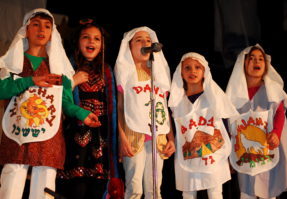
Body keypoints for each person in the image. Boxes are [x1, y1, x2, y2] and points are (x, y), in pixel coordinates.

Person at [0, 8, 100, 199]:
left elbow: (65, 102)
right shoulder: (11, 63)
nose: (41, 29)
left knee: (44, 188)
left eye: (47, 26)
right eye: (35, 24)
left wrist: (82, 113)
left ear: (52, 32)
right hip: (16, 135)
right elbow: (2, 89)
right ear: (25, 30)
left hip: (48, 137)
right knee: (10, 187)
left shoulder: (58, 67)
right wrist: (30, 81)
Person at [56, 19, 123, 199]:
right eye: (86, 37)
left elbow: (116, 108)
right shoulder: (67, 66)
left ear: (102, 45)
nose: (91, 42)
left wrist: (120, 140)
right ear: (77, 41)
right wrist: (72, 82)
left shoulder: (107, 71)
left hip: (101, 138)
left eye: (96, 39)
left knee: (98, 187)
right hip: (74, 137)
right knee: (76, 187)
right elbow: (55, 99)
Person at [226, 44, 287, 199]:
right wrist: (228, 154)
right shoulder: (234, 94)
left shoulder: (271, 90)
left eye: (260, 59)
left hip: (266, 148)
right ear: (243, 64)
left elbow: (279, 113)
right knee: (246, 189)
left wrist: (276, 133)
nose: (256, 61)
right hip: (244, 153)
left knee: (268, 188)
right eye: (251, 59)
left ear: (266, 65)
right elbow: (229, 125)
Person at [114, 26, 176, 199]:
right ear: (129, 46)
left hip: (158, 137)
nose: (145, 43)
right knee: (134, 189)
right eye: (139, 40)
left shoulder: (159, 74)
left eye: (148, 40)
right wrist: (121, 137)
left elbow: (163, 108)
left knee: (155, 189)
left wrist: (171, 137)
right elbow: (119, 108)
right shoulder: (125, 73)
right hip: (133, 136)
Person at [168, 52, 238, 199]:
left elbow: (225, 126)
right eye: (187, 68)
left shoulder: (214, 97)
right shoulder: (176, 102)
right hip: (187, 156)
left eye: (197, 67)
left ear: (204, 71)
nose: (192, 71)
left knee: (215, 193)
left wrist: (230, 155)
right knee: (188, 193)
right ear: (180, 73)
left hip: (214, 156)